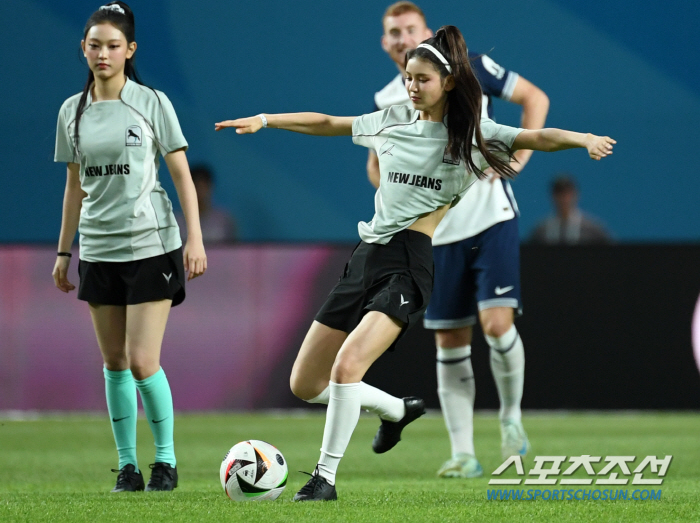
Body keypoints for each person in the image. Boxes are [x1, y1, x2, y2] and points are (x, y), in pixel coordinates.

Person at [215, 25, 614, 501]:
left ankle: (324, 479)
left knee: (347, 367)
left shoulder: (472, 134)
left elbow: (539, 136)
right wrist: (265, 119)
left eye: (422, 78)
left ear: (446, 82)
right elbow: (327, 122)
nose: (411, 85)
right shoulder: (391, 118)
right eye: (408, 77)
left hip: (410, 264)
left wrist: (583, 138)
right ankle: (396, 411)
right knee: (304, 383)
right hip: (365, 257)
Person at [369, 1, 550, 478]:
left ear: (426, 31)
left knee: (495, 324)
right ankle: (463, 452)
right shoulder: (388, 98)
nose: (403, 37)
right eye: (394, 32)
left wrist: (516, 161)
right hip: (439, 235)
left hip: (491, 218)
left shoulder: (467, 69)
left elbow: (535, 97)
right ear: (385, 44)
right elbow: (377, 166)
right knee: (449, 339)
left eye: (410, 29)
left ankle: (510, 417)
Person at [52, 1, 207, 493]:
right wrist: (63, 253)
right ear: (84, 48)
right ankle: (127, 466)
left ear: (129, 50)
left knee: (142, 361)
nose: (103, 53)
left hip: (151, 243)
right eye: (94, 45)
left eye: (113, 46)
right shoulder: (71, 112)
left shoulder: (152, 102)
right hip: (98, 249)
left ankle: (165, 461)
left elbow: (181, 172)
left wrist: (195, 237)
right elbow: (74, 186)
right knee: (114, 363)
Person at [529, 175, 612, 244]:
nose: (564, 199)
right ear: (553, 197)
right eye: (559, 194)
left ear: (576, 195)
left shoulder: (592, 230)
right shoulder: (541, 231)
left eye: (567, 193)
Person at [176, 164, 237, 243]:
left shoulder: (224, 220)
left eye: (203, 187)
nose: (199, 192)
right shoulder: (176, 222)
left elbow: (234, 250)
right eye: (196, 186)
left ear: (210, 187)